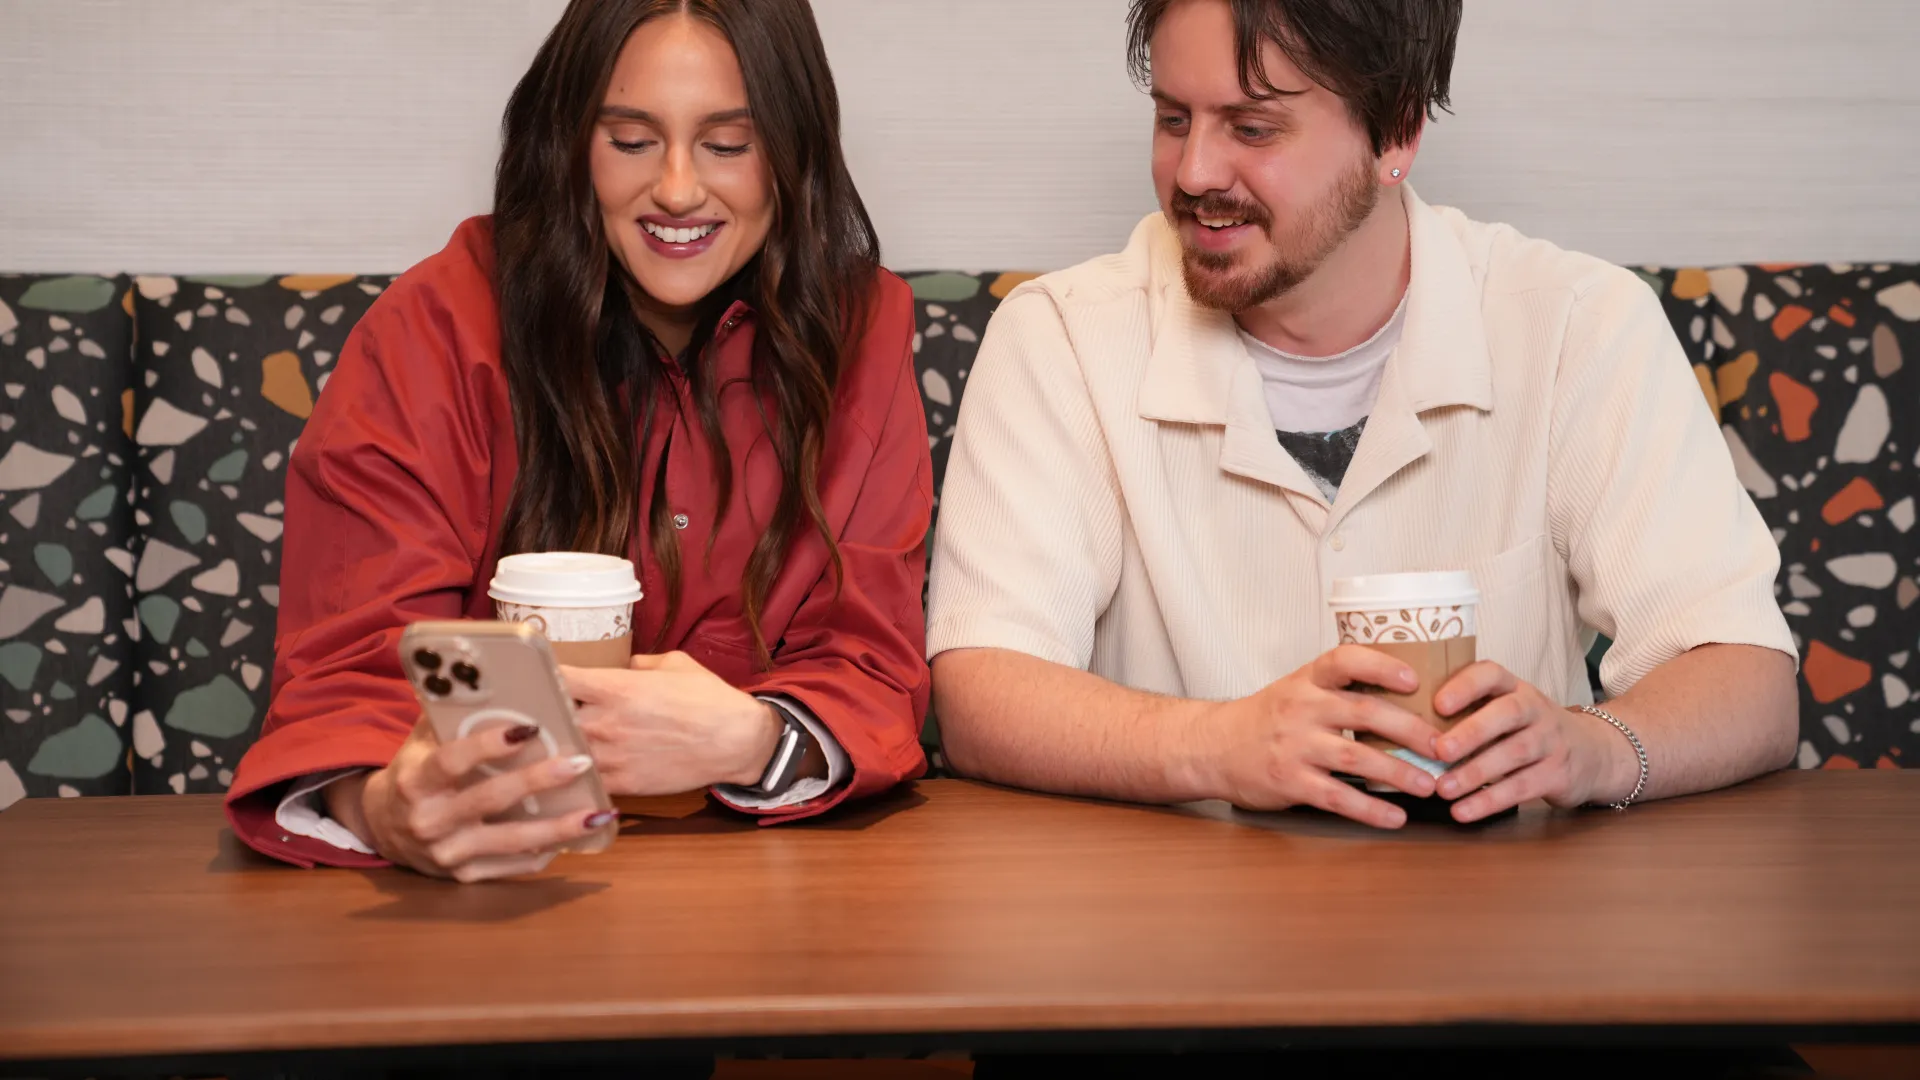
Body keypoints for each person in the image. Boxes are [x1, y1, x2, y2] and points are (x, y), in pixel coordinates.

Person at [928, 0, 1799, 833]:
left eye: (1253, 127)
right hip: (1170, 934)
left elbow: (1748, 682)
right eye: (1172, 119)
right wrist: (1217, 749)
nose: (1194, 174)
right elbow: (982, 691)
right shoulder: (1063, 338)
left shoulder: (1579, 324)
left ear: (1397, 133)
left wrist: (1596, 750)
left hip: (1506, 933)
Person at [225, 0, 932, 882]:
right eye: (631, 142)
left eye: (727, 144)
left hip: (766, 896)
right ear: (567, 144)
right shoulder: (435, 329)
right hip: (488, 895)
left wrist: (753, 740)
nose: (677, 189)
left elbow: (872, 660)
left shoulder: (861, 330)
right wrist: (384, 804)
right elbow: (348, 667)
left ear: (794, 152)